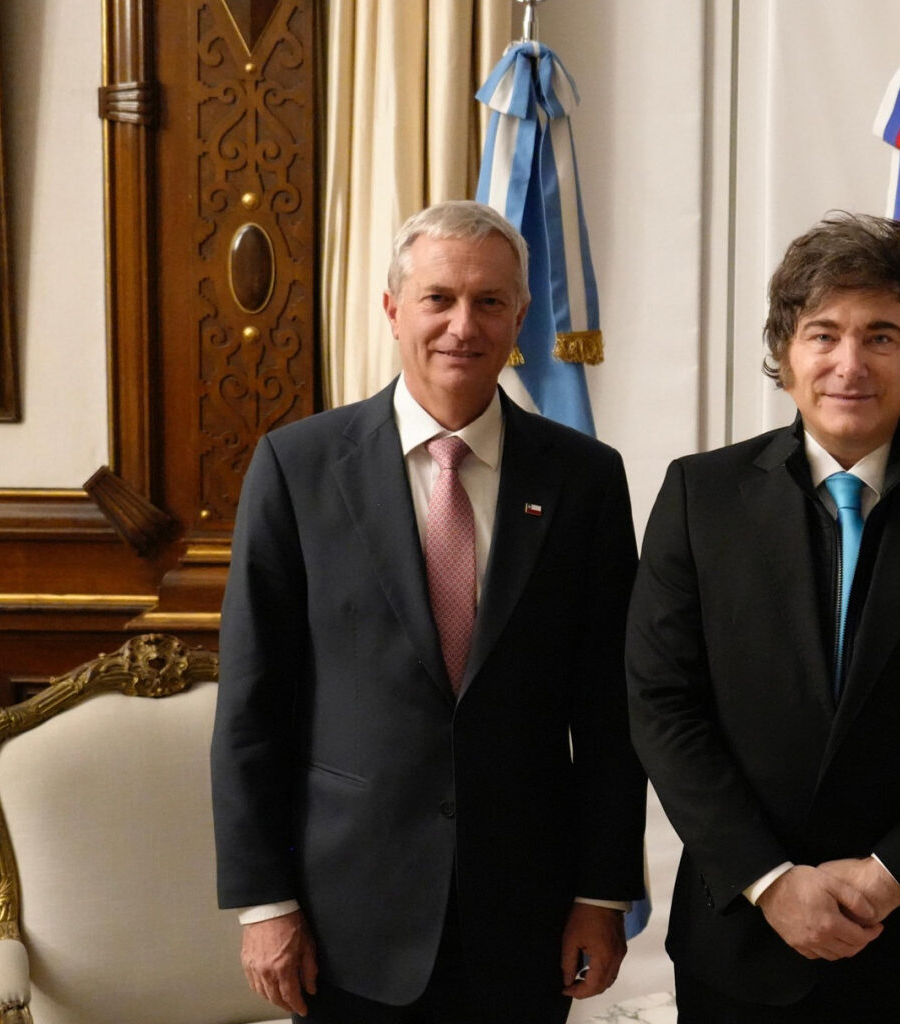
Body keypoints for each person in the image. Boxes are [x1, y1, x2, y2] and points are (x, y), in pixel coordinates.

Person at [212, 200, 646, 1023]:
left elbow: (609, 708)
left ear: (520, 316)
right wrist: (263, 902)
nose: (462, 325)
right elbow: (252, 705)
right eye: (438, 298)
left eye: (489, 302)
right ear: (392, 310)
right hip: (346, 918)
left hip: (525, 912)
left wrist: (601, 892)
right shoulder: (297, 467)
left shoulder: (583, 478)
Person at [625, 212, 900, 1022]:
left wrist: (885, 877)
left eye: (881, 336)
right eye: (822, 334)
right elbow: (661, 707)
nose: (848, 364)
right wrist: (771, 879)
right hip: (743, 940)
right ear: (786, 354)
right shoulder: (699, 498)